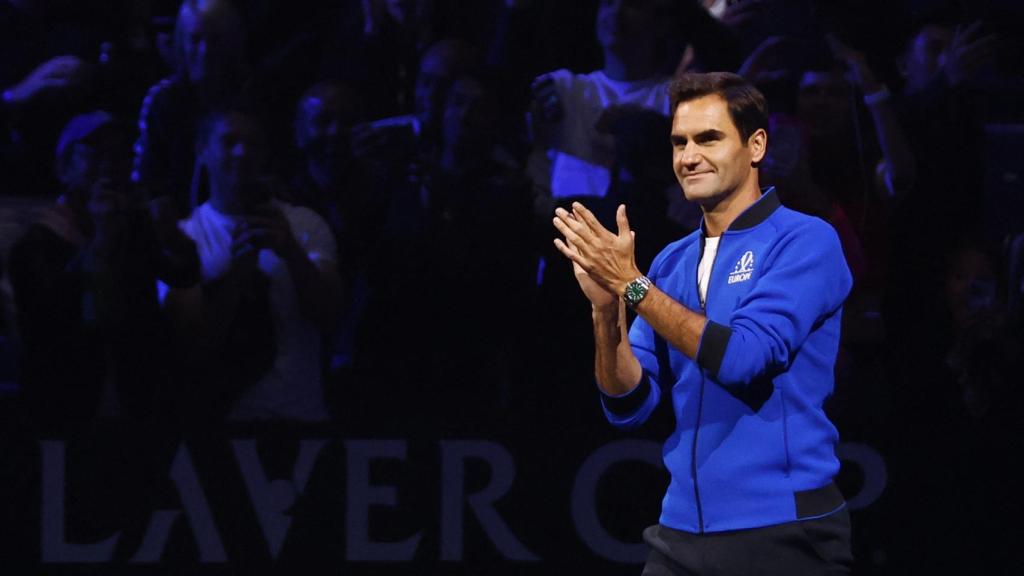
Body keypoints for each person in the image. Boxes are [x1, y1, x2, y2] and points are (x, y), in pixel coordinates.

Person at [552, 72, 853, 575]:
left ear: (755, 146)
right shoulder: (670, 263)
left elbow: (741, 360)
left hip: (782, 532)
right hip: (681, 531)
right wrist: (608, 311)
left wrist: (632, 285)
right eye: (679, 143)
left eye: (708, 138)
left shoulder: (805, 242)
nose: (688, 156)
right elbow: (629, 404)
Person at [160, 110, 342, 424]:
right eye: (229, 142)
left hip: (299, 419)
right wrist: (237, 277)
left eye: (253, 144)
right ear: (202, 151)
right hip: (220, 427)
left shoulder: (305, 224)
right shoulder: (185, 237)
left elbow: (330, 317)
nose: (242, 153)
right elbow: (190, 350)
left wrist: (291, 253)